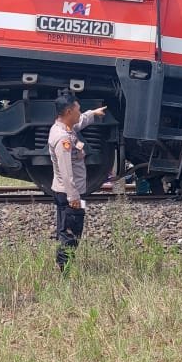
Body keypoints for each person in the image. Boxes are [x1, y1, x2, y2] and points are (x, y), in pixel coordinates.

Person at [48, 91, 107, 271]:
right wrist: (73, 197)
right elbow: (66, 172)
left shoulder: (64, 128)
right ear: (68, 112)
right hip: (70, 194)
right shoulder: (63, 139)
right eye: (78, 110)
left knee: (67, 230)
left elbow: (80, 122)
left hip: (66, 192)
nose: (79, 113)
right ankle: (63, 270)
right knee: (71, 232)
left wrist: (92, 113)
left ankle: (62, 267)